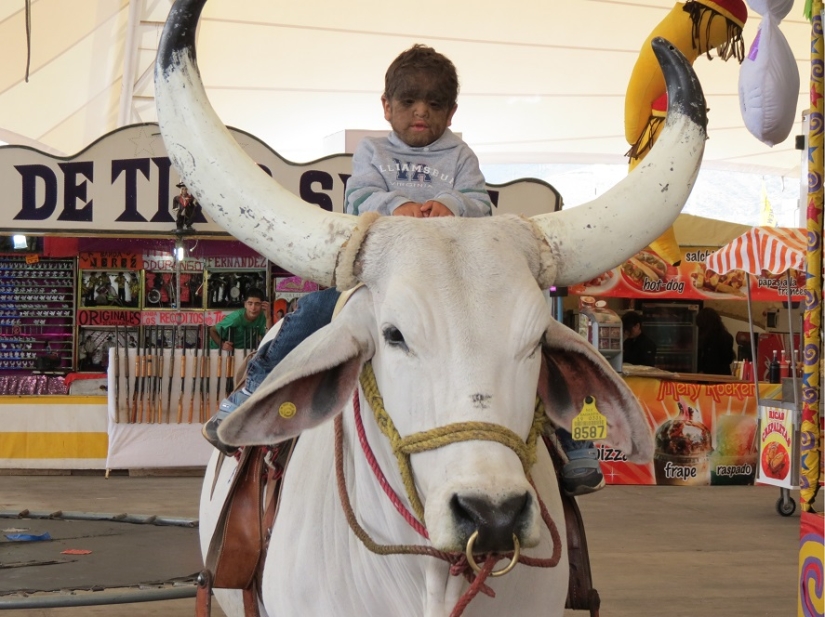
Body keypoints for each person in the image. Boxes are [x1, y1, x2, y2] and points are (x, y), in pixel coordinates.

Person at [202, 44, 599, 494]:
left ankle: (575, 442)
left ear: (451, 112)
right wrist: (401, 207)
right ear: (386, 107)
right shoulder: (371, 152)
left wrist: (449, 206)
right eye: (408, 102)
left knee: (531, 332)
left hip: (454, 282)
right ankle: (248, 395)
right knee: (312, 312)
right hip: (384, 278)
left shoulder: (461, 155)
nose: (420, 113)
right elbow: (359, 198)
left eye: (434, 104)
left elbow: (479, 203)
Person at [208, 288, 272, 352]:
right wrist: (222, 345)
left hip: (241, 351)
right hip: (219, 351)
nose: (253, 308)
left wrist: (268, 318)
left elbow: (268, 338)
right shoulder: (236, 318)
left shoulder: (263, 316)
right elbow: (212, 330)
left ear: (262, 305)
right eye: (250, 303)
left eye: (257, 304)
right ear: (245, 304)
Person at [696, 307, 735, 375]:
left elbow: (705, 360)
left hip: (707, 376)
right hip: (723, 375)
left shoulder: (705, 339)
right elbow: (728, 359)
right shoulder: (727, 336)